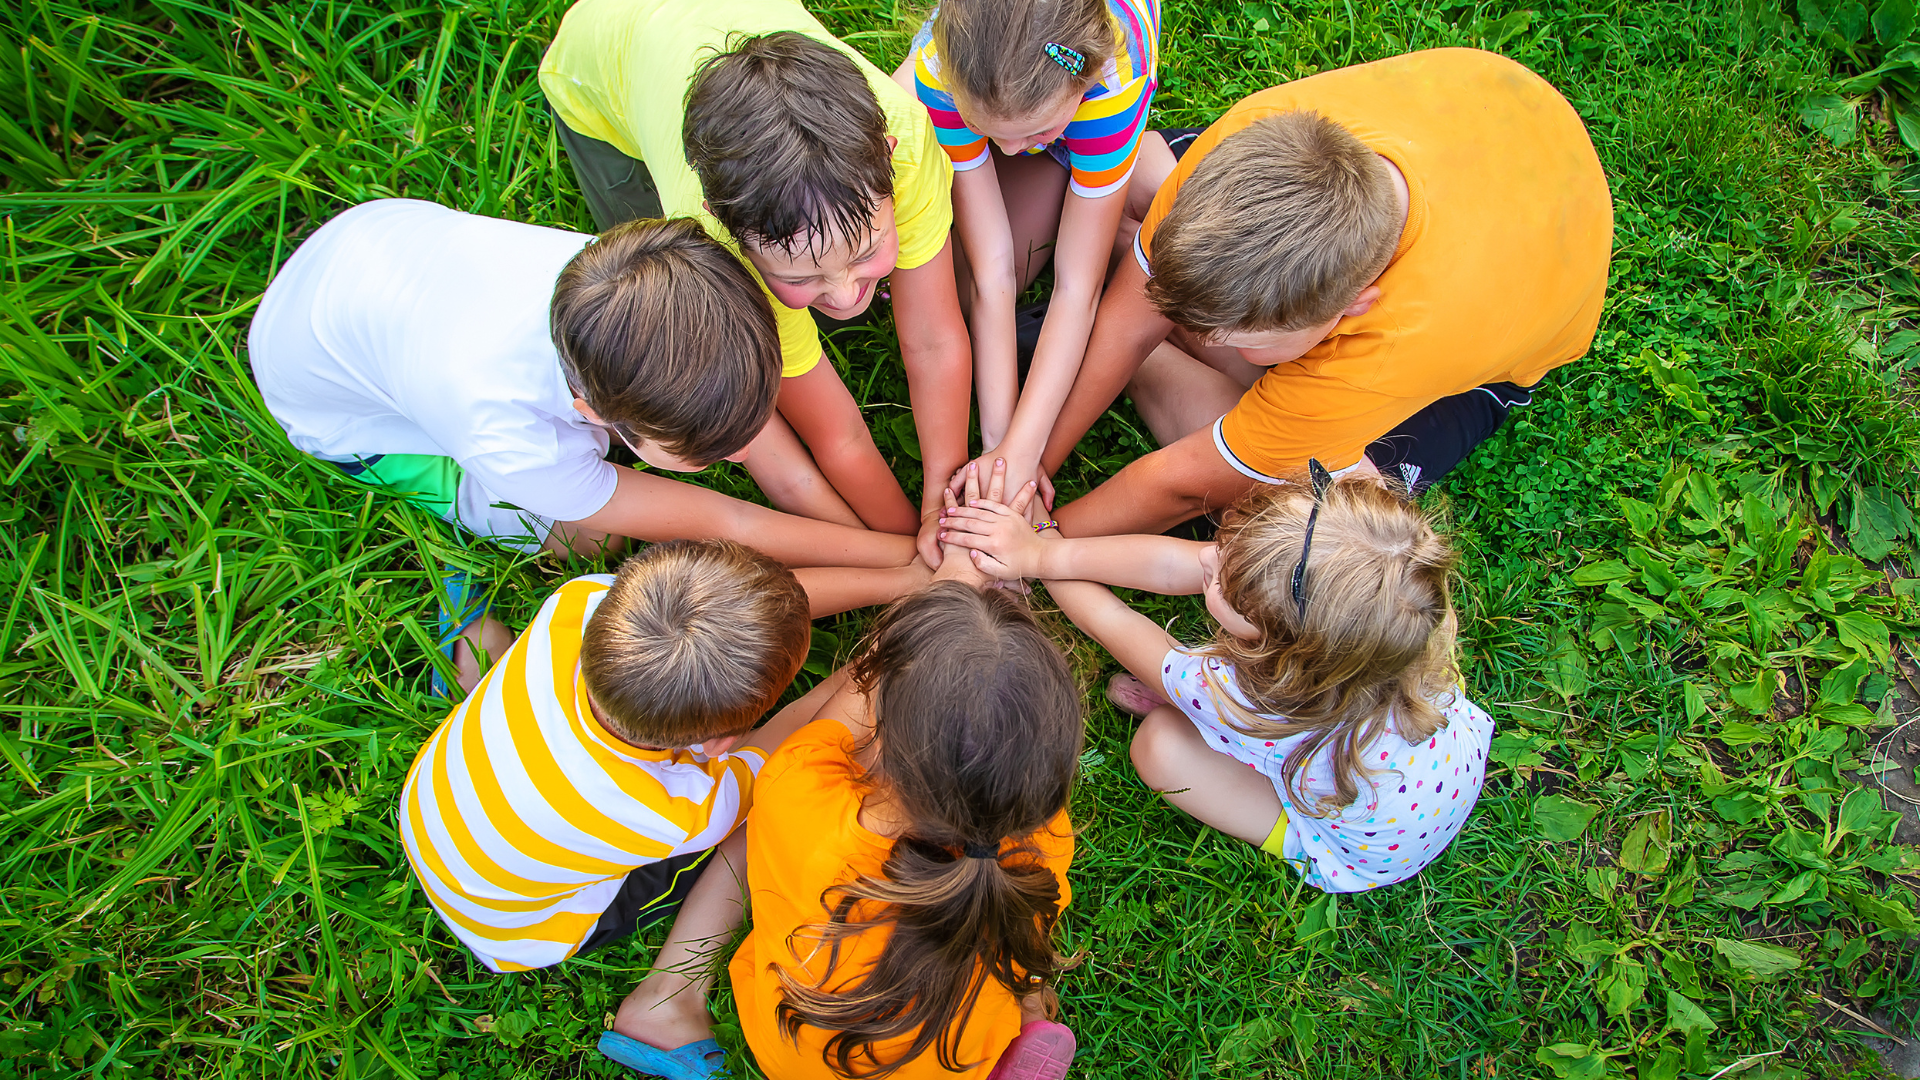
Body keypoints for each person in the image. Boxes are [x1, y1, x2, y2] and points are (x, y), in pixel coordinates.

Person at [248, 200, 917, 691]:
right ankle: (467, 563)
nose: (744, 454)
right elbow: (727, 519)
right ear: (589, 413)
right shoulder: (509, 438)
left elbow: (757, 471)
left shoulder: (644, 296)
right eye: (713, 456)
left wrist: (903, 559)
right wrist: (905, 567)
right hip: (339, 409)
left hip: (371, 258)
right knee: (583, 540)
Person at [1031, 48, 1613, 536]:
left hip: (1473, 353)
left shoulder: (1394, 345)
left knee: (1298, 520)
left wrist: (1041, 539)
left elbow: (1183, 487)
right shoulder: (1245, 140)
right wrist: (1032, 466)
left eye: (1237, 335)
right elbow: (1135, 319)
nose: (1203, 337)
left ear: (1352, 305)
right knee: (1165, 304)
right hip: (1501, 121)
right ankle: (1141, 234)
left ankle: (1127, 247)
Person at [598, 527, 1084, 1080]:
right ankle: (1021, 1014)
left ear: (884, 713)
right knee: (1007, 946)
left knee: (755, 829)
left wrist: (947, 582)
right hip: (957, 1059)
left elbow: (847, 696)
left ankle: (673, 995)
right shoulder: (1047, 839)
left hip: (796, 1051)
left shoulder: (802, 797)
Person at [540, 7, 972, 562]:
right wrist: (903, 549)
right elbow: (837, 435)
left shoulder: (909, 142)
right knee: (649, 291)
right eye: (802, 275)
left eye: (865, 251)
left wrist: (942, 511)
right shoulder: (712, 246)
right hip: (595, 74)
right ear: (728, 228)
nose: (844, 296)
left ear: (887, 159)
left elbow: (935, 341)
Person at [939, 461, 1492, 891]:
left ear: (1275, 647)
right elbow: (1177, 565)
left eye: (1221, 582)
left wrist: (1037, 552)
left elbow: (1115, 622)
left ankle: (1215, 743)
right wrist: (1040, 548)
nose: (1204, 562)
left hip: (1357, 850)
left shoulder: (1241, 697)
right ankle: (1202, 720)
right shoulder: (1399, 628)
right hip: (1424, 773)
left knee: (1159, 748)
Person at [397, 540, 825, 979]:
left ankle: (473, 662)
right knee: (763, 809)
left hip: (431, 811)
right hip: (519, 932)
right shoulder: (678, 811)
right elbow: (778, 750)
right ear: (720, 745)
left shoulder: (578, 601)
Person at [894, 0, 1166, 503]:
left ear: (1082, 82)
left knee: (1077, 221)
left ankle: (1114, 160)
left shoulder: (1111, 88)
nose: (1012, 151)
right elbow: (990, 267)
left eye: (1034, 133)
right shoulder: (944, 72)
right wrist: (1002, 448)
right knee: (965, 277)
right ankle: (1060, 154)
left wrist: (1022, 449)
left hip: (1085, 110)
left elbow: (1076, 288)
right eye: (993, 135)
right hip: (994, 86)